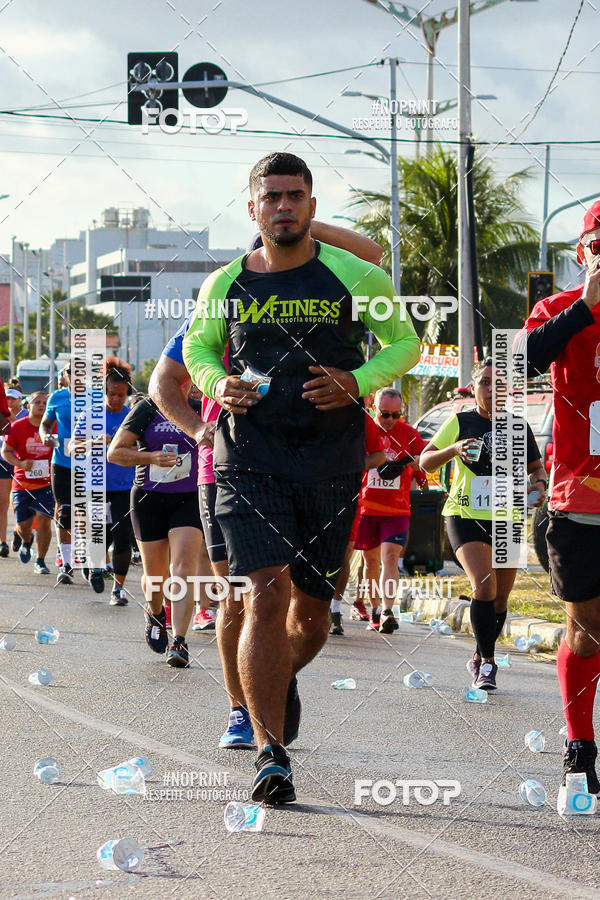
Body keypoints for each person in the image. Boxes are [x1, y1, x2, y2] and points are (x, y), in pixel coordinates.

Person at [182, 151, 420, 804]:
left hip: (329, 464)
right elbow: (197, 349)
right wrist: (216, 382)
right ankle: (270, 751)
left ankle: (277, 676)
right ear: (252, 208)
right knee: (264, 593)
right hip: (247, 459)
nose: (283, 206)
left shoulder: (355, 274)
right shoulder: (225, 283)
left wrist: (358, 380)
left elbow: (405, 343)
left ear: (312, 205)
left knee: (312, 616)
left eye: (294, 195)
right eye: (271, 196)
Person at [150, 217, 383, 749]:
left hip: (316, 463)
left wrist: (297, 220)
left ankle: (274, 679)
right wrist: (199, 431)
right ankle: (242, 712)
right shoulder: (225, 301)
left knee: (310, 608)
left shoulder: (324, 292)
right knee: (244, 594)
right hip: (231, 466)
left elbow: (372, 255)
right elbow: (164, 381)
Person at [518, 198, 600, 793]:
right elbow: (516, 365)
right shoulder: (558, 309)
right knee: (586, 628)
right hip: (581, 499)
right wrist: (584, 309)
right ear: (582, 254)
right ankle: (579, 746)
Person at [420, 359, 546, 691]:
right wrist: (453, 449)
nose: (492, 390)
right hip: (465, 515)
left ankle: (478, 655)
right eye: (485, 383)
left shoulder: (519, 427)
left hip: (507, 518)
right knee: (485, 586)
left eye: (499, 384)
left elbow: (536, 467)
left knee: (500, 599)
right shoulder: (460, 421)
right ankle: (489, 664)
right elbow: (425, 460)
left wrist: (539, 483)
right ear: (474, 387)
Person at [108, 387, 211, 666]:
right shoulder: (149, 407)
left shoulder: (202, 409)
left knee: (183, 570)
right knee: (155, 576)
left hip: (189, 498)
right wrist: (151, 457)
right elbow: (115, 453)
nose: (190, 385)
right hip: (148, 498)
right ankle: (155, 613)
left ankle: (179, 642)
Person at [354, 387, 428, 633]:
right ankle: (375, 610)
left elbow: (424, 459)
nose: (390, 420)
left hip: (397, 510)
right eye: (385, 414)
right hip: (367, 508)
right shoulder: (363, 430)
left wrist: (412, 467)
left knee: (390, 557)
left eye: (396, 415)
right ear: (374, 407)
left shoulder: (408, 433)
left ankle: (387, 611)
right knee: (371, 562)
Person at [69, 359, 135, 606]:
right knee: (100, 534)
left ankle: (118, 589)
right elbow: (72, 448)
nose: (116, 399)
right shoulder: (91, 415)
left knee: (122, 535)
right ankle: (95, 565)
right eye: (111, 394)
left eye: (121, 395)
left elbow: (143, 448)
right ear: (104, 391)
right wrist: (94, 442)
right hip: (95, 484)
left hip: (124, 485)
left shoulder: (131, 417)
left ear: (127, 393)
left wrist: (128, 449)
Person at [329, 413, 386, 636]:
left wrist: (350, 465)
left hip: (347, 495)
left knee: (343, 555)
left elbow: (379, 456)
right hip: (305, 490)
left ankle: (334, 610)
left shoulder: (358, 415)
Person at [1, 391, 54, 573]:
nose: (42, 406)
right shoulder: (17, 426)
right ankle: (26, 539)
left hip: (47, 484)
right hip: (23, 483)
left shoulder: (54, 426)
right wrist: (20, 463)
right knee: (24, 526)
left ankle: (40, 560)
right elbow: (5, 451)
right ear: (28, 406)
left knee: (43, 519)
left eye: (45, 403)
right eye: (37, 402)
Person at [40, 364, 76, 584]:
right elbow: (45, 424)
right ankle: (67, 563)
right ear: (65, 376)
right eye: (72, 372)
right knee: (65, 510)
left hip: (89, 464)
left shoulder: (97, 397)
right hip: (61, 462)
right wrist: (45, 436)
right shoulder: (57, 397)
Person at [0, 388, 25, 557]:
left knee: (19, 504)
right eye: (6, 398)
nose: (9, 401)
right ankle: (2, 542)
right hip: (3, 461)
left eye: (12, 399)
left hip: (21, 463)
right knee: (2, 503)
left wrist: (10, 418)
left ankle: (18, 530)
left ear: (19, 400)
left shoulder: (26, 415)